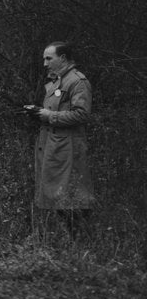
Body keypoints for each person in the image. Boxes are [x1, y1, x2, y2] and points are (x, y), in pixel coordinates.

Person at [31, 41, 95, 235]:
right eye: (44, 58)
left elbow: (82, 114)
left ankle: (81, 241)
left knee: (73, 197)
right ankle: (71, 240)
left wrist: (50, 116)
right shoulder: (58, 81)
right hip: (54, 148)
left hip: (69, 149)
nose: (45, 63)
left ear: (63, 58)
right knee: (58, 196)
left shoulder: (77, 81)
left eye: (49, 58)